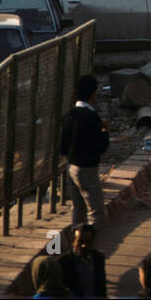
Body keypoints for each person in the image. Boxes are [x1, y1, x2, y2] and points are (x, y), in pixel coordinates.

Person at [59, 74, 110, 226]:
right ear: (93, 93)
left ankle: (76, 244)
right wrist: (105, 131)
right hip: (87, 168)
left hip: (72, 166)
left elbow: (63, 147)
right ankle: (87, 245)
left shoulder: (69, 115)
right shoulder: (92, 118)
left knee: (78, 210)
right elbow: (101, 147)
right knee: (98, 214)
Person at [58, 223, 108, 298]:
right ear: (73, 241)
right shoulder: (63, 262)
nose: (84, 245)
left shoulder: (98, 258)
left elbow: (102, 286)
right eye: (80, 242)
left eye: (88, 242)